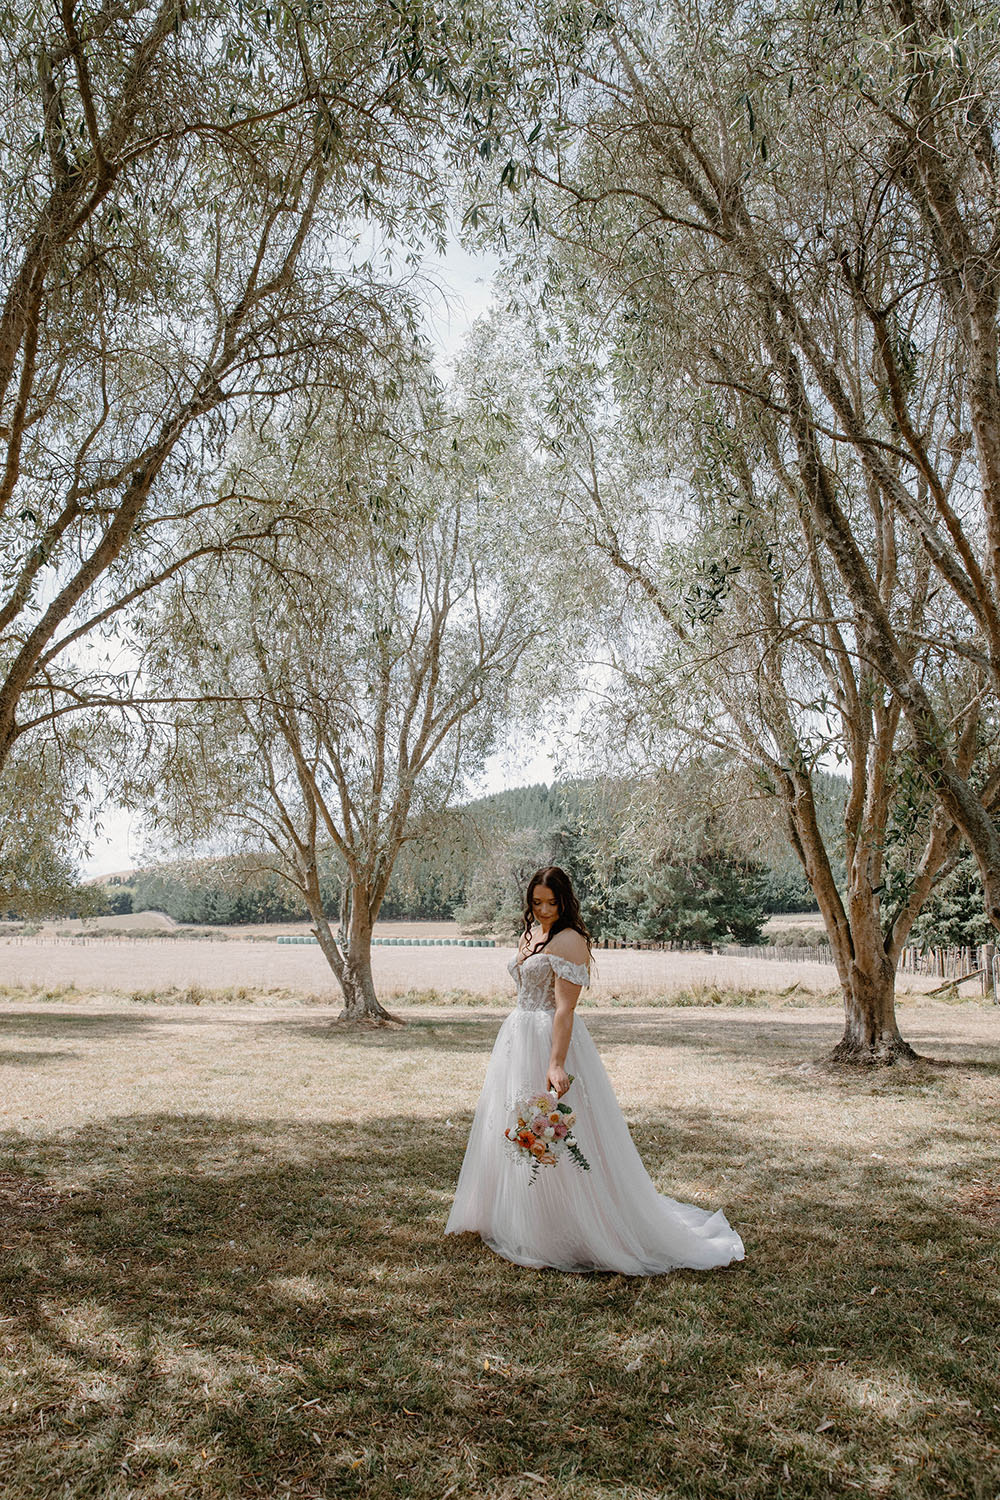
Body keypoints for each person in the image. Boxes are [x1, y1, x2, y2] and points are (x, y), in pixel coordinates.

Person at [445, 866, 745, 1275]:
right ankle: (515, 1215)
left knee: (555, 1129)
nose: (544, 910)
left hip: (548, 1038)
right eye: (537, 902)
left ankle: (564, 1223)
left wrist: (555, 1063)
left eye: (552, 903)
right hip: (517, 1036)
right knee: (514, 1121)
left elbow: (565, 1009)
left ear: (565, 901)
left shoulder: (570, 940)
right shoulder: (530, 933)